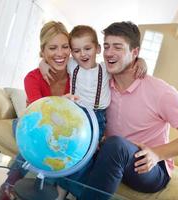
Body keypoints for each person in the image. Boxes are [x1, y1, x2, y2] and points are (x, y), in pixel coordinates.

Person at [63, 21, 178, 200]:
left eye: (118, 47)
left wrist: (157, 154)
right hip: (112, 156)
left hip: (150, 166)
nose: (109, 53)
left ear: (135, 52)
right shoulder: (105, 84)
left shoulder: (161, 92)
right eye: (106, 47)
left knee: (115, 145)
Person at [39, 24, 147, 199]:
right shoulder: (72, 65)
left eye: (87, 48)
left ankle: (76, 190)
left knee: (85, 155)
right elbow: (53, 58)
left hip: (97, 118)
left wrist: (140, 61)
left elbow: (126, 63)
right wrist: (42, 64)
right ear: (72, 53)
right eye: (77, 50)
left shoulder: (106, 68)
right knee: (67, 150)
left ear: (97, 48)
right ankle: (59, 191)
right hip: (75, 114)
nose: (83, 54)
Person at [0, 20, 71, 200]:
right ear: (42, 51)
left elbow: (99, 68)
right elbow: (39, 112)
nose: (60, 53)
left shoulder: (78, 74)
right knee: (40, 134)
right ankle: (8, 185)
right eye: (52, 48)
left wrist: (140, 61)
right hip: (29, 122)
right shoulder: (33, 78)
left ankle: (53, 190)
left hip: (59, 128)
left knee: (56, 137)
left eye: (65, 46)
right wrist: (61, 102)